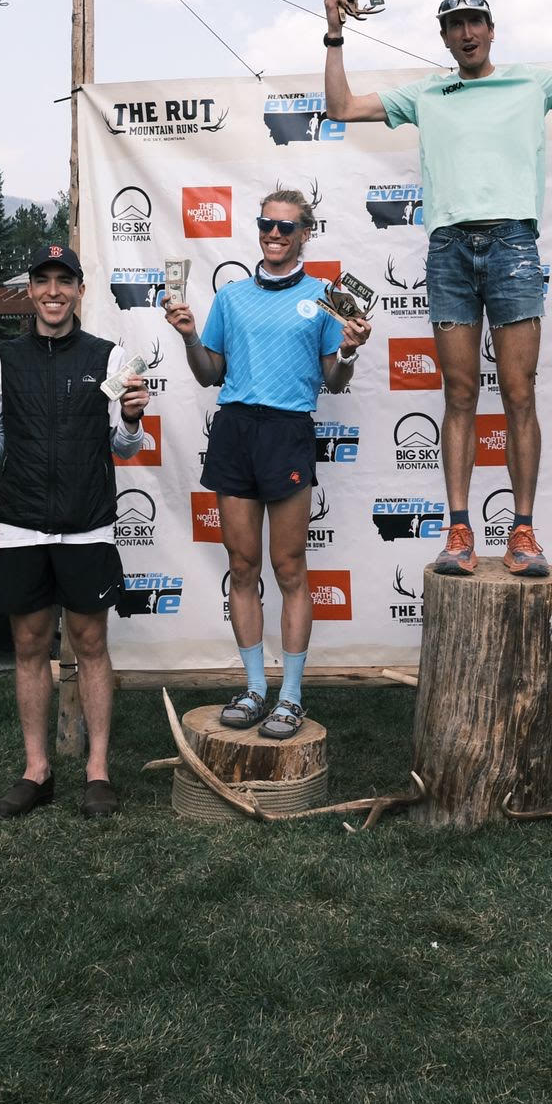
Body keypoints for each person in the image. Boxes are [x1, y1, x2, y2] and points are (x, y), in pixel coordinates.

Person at [323, 0, 552, 578]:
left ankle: (522, 531)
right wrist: (334, 31)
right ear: (444, 37)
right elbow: (340, 106)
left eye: (474, 22)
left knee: (520, 394)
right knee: (459, 394)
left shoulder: (531, 81)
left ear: (491, 30)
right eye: (454, 25)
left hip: (514, 243)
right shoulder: (426, 92)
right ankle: (458, 529)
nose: (465, 33)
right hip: (449, 249)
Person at [0, 245, 148, 819]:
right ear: (31, 290)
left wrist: (130, 418)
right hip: (20, 522)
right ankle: (37, 770)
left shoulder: (110, 355)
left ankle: (97, 771)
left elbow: (124, 447)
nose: (53, 291)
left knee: (92, 646)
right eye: (43, 281)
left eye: (64, 281)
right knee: (29, 647)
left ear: (78, 289)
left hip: (88, 523)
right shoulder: (1, 358)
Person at [164, 190, 371, 739]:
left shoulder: (328, 299)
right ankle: (256, 688)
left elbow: (333, 380)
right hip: (235, 429)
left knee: (290, 568)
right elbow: (209, 374)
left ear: (306, 232)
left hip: (287, 431)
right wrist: (188, 335)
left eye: (287, 227)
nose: (274, 235)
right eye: (266, 225)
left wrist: (349, 352)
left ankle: (292, 696)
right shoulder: (231, 297)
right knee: (243, 566)